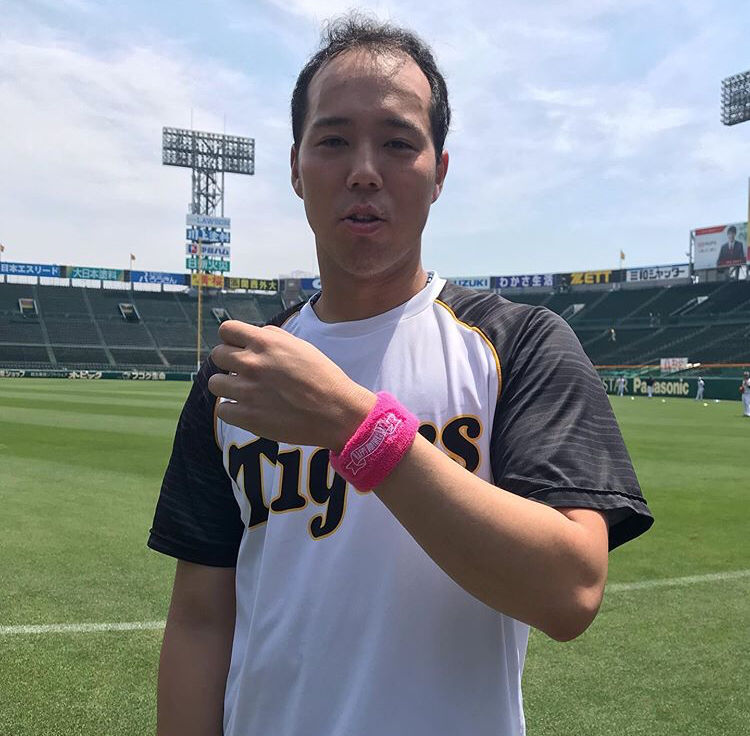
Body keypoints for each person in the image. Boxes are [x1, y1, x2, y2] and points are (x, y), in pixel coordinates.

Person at [148, 17, 653, 736]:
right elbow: (201, 619)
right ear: (295, 167)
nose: (364, 170)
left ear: (439, 171)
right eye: (333, 141)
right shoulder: (241, 371)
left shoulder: (520, 344)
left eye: (397, 142)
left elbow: (570, 591)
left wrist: (355, 426)